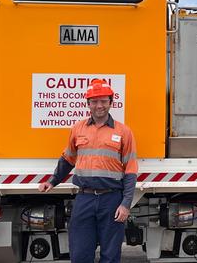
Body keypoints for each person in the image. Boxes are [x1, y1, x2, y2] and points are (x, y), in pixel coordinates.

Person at [38, 79, 138, 263]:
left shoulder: (124, 132)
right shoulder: (78, 129)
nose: (99, 106)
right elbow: (68, 159)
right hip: (84, 199)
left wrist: (125, 204)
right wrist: (51, 181)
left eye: (103, 101)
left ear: (111, 102)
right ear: (88, 104)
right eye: (94, 101)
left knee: (110, 255)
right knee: (80, 254)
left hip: (112, 199)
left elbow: (130, 171)